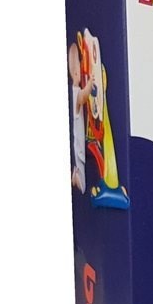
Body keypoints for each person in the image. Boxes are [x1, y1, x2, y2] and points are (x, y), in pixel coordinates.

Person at [69, 43, 90, 193]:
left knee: (79, 164)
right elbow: (83, 97)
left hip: (78, 143)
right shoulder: (76, 92)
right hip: (79, 147)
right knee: (82, 187)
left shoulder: (73, 91)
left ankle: (76, 174)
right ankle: (76, 176)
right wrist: (90, 83)